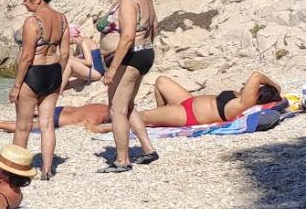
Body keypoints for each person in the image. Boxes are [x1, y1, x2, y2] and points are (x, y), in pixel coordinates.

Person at [97, 0, 160, 172]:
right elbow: (155, 26)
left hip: (130, 57)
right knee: (128, 105)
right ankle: (148, 148)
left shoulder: (128, 1)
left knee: (117, 109)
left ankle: (122, 160)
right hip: (144, 53)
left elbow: (127, 37)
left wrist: (113, 68)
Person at [9, 0, 69, 180]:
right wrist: (59, 78)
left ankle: (16, 172)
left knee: (23, 126)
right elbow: (66, 53)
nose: (24, 4)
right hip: (53, 71)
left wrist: (16, 86)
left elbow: (26, 57)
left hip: (34, 72)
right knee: (46, 125)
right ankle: (47, 169)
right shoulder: (62, 19)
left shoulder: (32, 22)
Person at [87, 71, 283, 130]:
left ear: (256, 95)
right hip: (189, 102)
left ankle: (105, 127)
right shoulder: (240, 98)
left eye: (252, 90)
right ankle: (161, 118)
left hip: (189, 115)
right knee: (161, 81)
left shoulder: (244, 103)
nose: (245, 86)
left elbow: (256, 75)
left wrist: (275, 86)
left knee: (143, 115)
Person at [0, 103, 109, 133]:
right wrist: (108, 129)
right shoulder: (97, 118)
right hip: (58, 118)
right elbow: (90, 127)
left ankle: (35, 113)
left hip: (62, 109)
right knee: (26, 127)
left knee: (27, 121)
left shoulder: (104, 106)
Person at [61, 25, 105, 92]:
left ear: (71, 37)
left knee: (69, 62)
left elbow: (89, 62)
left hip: (96, 72)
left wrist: (72, 58)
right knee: (66, 83)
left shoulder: (85, 42)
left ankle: (60, 91)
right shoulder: (78, 47)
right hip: (87, 73)